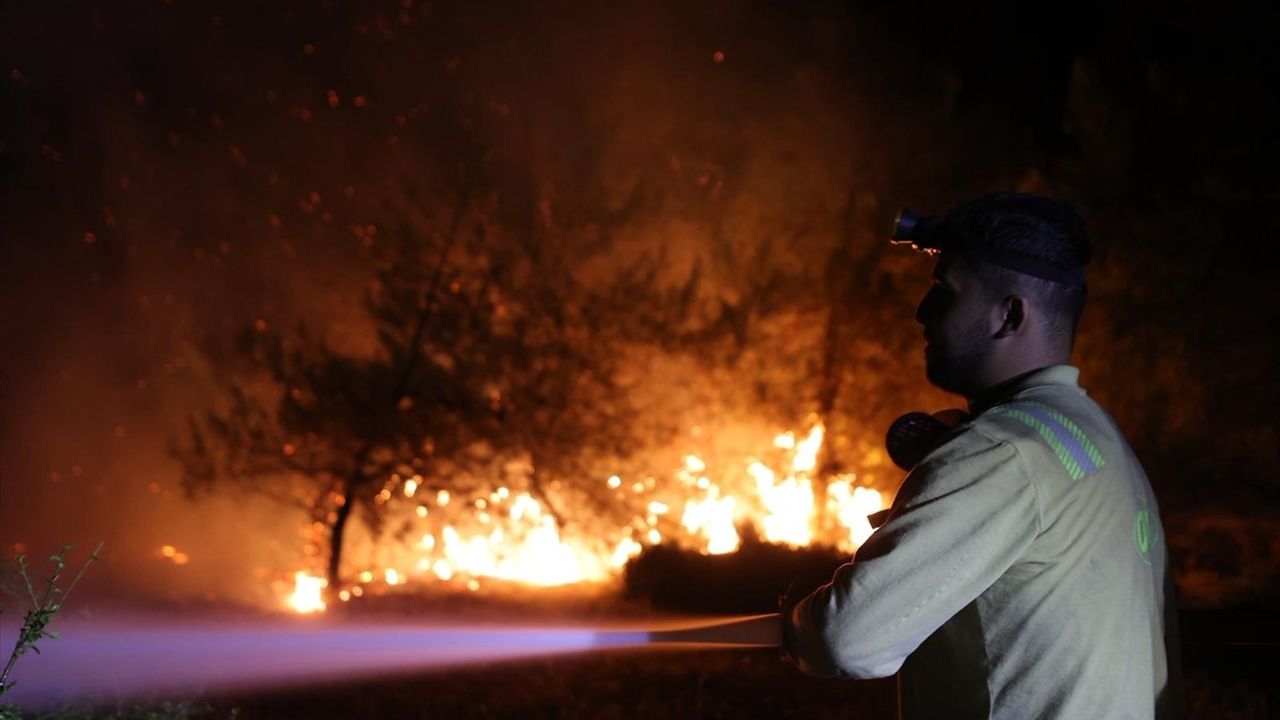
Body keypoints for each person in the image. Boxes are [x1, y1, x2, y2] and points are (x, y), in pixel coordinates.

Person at [781, 192, 1183, 719]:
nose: (922, 311)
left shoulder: (1003, 451)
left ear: (1010, 314)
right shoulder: (1098, 439)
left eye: (945, 292)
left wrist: (794, 618)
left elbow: (848, 639)